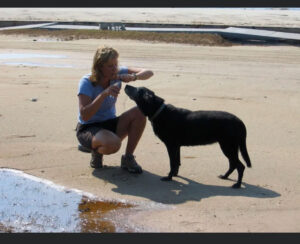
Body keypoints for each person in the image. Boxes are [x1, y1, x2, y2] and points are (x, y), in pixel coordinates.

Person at [76, 46, 153, 174]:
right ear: (99, 67)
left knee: (140, 111)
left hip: (110, 123)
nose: (114, 69)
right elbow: (85, 115)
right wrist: (103, 94)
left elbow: (149, 72)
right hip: (88, 128)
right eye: (110, 66)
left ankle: (128, 158)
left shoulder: (117, 74)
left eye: (116, 64)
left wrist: (134, 77)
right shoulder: (87, 82)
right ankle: (96, 151)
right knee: (113, 145)